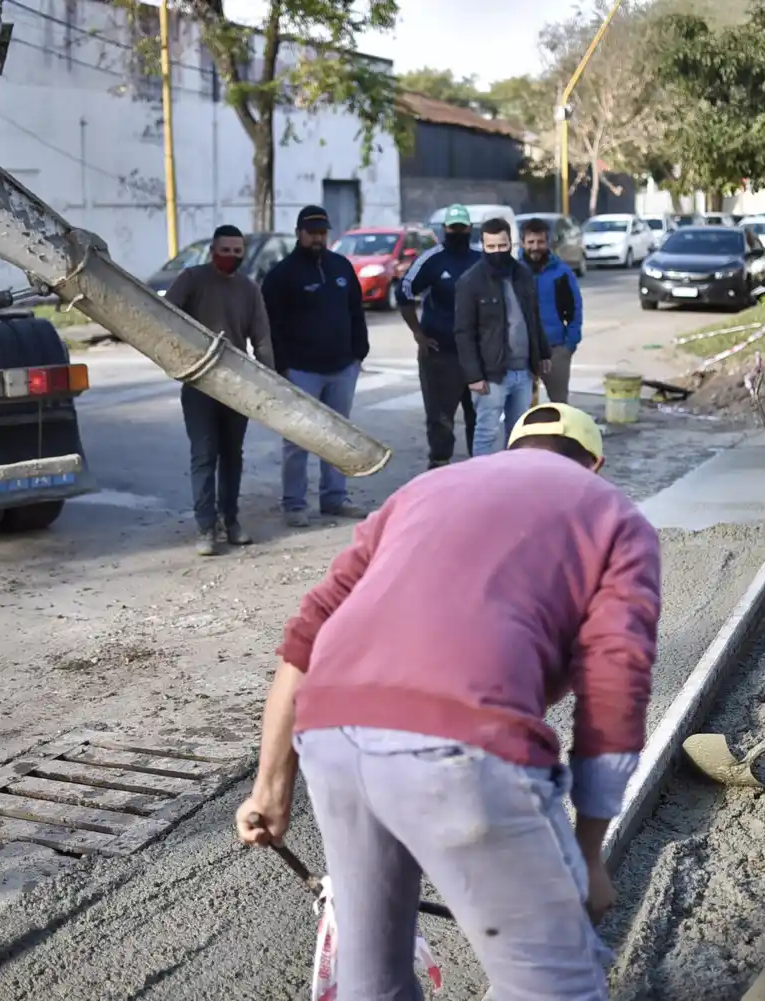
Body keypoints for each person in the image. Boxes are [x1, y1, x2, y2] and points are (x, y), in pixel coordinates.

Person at [235, 403, 661, 1001]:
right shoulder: (614, 517)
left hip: (329, 732)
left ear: (510, 451)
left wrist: (270, 788)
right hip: (460, 744)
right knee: (556, 986)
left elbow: (305, 636)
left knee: (372, 984)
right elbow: (617, 681)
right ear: (596, 464)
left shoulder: (425, 490)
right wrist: (588, 854)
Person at [166, 224, 274, 556]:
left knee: (232, 457)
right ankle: (205, 529)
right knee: (204, 456)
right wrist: (179, 357)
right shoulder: (191, 279)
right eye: (225, 250)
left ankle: (232, 521)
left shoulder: (249, 289)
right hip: (199, 382)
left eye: (236, 251)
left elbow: (262, 337)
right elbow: (164, 318)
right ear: (213, 250)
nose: (231, 256)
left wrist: (270, 382)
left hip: (237, 385)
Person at [262, 206, 370, 526]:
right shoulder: (282, 274)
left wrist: (358, 353)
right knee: (297, 440)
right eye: (312, 233)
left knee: (338, 436)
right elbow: (270, 325)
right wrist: (280, 366)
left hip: (341, 368)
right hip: (300, 371)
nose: (318, 238)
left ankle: (334, 498)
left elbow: (356, 311)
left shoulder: (341, 267)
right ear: (299, 233)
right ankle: (294, 504)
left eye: (323, 232)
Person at [454, 217, 552, 456]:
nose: (497, 251)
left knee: (519, 433)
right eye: (491, 247)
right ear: (483, 245)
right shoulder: (470, 281)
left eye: (502, 245)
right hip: (491, 375)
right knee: (486, 433)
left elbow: (533, 317)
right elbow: (463, 332)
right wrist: (474, 375)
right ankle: (481, 485)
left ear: (511, 243)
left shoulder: (523, 274)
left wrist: (543, 353)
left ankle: (511, 484)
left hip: (524, 371)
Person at [399, 204, 479, 469]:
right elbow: (405, 292)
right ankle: (440, 467)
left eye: (462, 227)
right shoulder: (432, 259)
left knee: (479, 417)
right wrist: (418, 334)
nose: (457, 232)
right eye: (452, 227)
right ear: (445, 229)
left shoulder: (481, 259)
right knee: (440, 419)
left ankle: (479, 471)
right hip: (440, 354)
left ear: (470, 229)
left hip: (477, 356)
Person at [520, 216, 583, 404]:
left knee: (560, 407)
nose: (535, 247)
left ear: (547, 242)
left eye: (540, 241)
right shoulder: (514, 272)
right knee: (524, 409)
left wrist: (569, 344)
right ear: (523, 243)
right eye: (530, 242)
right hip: (523, 352)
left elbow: (575, 309)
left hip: (556, 349)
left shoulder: (562, 272)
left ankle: (559, 435)